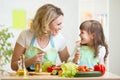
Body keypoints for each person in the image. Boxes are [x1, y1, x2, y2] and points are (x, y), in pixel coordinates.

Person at [11, 4, 70, 71]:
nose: (61, 27)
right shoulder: (25, 35)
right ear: (46, 23)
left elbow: (68, 63)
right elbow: (13, 65)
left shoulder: (59, 39)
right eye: (58, 24)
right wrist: (30, 61)